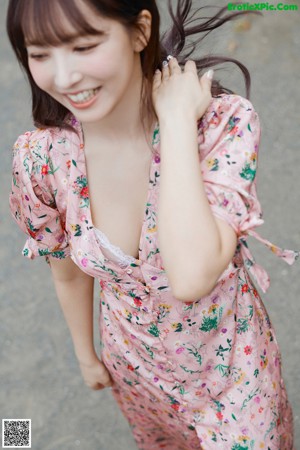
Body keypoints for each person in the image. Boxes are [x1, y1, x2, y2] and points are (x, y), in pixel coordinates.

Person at [6, 0, 298, 449]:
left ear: (140, 32)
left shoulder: (219, 125)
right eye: (41, 55)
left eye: (84, 47)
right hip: (136, 371)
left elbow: (191, 275)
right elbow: (65, 268)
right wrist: (86, 354)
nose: (63, 78)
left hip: (233, 378)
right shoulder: (42, 160)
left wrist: (177, 122)